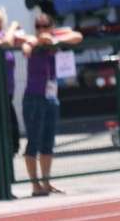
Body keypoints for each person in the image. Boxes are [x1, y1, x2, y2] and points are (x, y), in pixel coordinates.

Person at [19, 13, 82, 197]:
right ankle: (34, 184)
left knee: (48, 142)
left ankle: (46, 182)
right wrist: (38, 41)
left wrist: (54, 39)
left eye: (45, 25)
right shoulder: (33, 39)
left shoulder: (56, 39)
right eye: (38, 26)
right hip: (34, 97)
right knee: (33, 141)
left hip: (51, 97)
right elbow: (25, 49)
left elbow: (77, 36)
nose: (41, 29)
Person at [0, 8, 23, 200]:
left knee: (11, 142)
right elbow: (5, 43)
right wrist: (13, 26)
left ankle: (3, 182)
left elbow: (27, 39)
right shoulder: (2, 38)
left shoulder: (4, 35)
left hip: (6, 97)